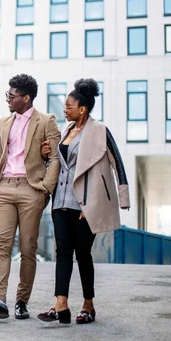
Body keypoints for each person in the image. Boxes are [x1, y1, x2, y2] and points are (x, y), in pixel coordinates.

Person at [37, 79, 130, 324]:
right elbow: (61, 165)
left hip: (85, 204)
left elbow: (116, 162)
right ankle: (61, 303)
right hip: (61, 201)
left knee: (82, 252)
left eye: (69, 106)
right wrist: (47, 155)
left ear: (83, 109)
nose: (65, 109)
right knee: (63, 251)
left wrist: (120, 199)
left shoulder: (100, 131)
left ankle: (88, 304)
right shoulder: (66, 131)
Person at [0, 74, 61, 320]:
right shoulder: (3, 122)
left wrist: (45, 188)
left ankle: (22, 301)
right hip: (4, 188)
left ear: (26, 98)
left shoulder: (46, 121)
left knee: (27, 248)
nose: (8, 99)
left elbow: (55, 158)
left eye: (12, 96)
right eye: (7, 95)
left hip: (31, 189)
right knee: (1, 246)